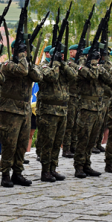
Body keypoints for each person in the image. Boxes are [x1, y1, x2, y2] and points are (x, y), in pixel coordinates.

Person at [0, 42, 42, 187]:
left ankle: (17, 173)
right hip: (10, 110)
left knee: (22, 144)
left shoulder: (26, 65)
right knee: (9, 144)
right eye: (22, 51)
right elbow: (22, 71)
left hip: (25, 110)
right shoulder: (7, 65)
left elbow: (38, 76)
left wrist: (29, 62)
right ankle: (5, 174)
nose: (24, 53)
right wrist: (22, 57)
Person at [37, 45, 77, 182]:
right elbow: (51, 77)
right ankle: (45, 170)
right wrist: (55, 64)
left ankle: (53, 168)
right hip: (48, 110)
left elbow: (74, 75)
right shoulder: (44, 66)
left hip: (62, 109)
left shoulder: (64, 67)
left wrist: (63, 65)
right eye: (60, 56)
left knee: (57, 142)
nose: (62, 58)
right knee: (48, 142)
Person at [73, 46, 109, 178]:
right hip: (86, 108)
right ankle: (79, 166)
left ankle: (87, 164)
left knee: (92, 139)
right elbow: (92, 76)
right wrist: (94, 64)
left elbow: (109, 79)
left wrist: (98, 66)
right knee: (83, 138)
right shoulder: (81, 68)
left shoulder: (98, 68)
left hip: (99, 107)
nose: (97, 59)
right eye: (94, 56)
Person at [62, 44, 80, 158]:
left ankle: (74, 145)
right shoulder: (69, 64)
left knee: (76, 124)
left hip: (78, 97)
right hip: (70, 96)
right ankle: (66, 148)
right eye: (71, 51)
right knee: (69, 124)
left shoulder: (78, 63)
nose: (71, 53)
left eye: (73, 51)